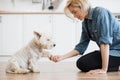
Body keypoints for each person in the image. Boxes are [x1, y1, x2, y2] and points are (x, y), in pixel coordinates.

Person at [49, 0, 120, 74]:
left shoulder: (100, 12)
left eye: (75, 12)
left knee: (85, 63)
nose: (74, 16)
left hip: (117, 51)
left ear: (82, 7)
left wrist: (103, 69)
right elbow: (81, 47)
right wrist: (61, 57)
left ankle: (115, 65)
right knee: (81, 63)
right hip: (111, 51)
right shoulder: (85, 23)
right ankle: (116, 66)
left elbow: (105, 43)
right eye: (72, 13)